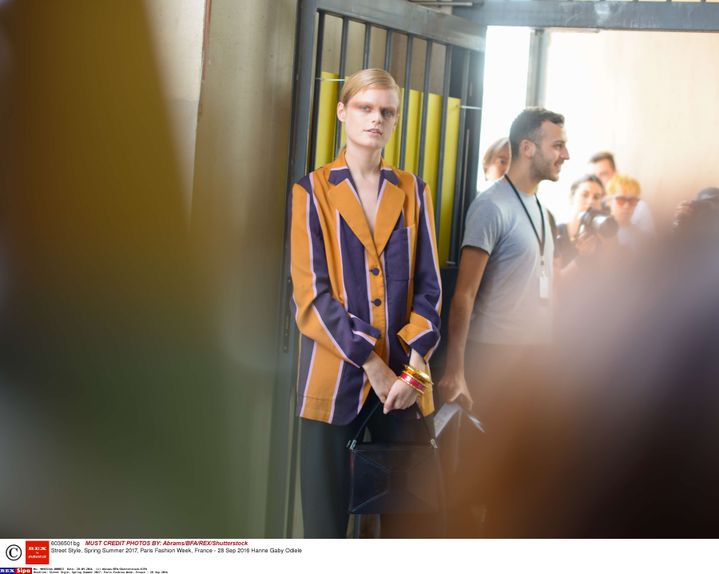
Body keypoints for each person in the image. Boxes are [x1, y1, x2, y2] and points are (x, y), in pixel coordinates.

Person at [289, 68, 442, 538]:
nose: (376, 118)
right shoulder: (312, 191)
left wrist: (413, 375)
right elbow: (312, 298)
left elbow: (431, 289)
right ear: (342, 113)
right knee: (325, 531)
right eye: (365, 108)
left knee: (411, 528)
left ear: (395, 121)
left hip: (406, 388)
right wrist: (374, 366)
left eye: (386, 111)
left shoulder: (413, 191)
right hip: (333, 385)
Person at [438, 107, 569, 535]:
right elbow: (464, 295)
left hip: (533, 359)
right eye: (557, 144)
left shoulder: (540, 208)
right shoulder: (491, 205)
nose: (565, 154)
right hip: (494, 359)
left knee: (521, 478)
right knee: (484, 479)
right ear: (527, 147)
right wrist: (456, 368)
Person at [589, 150, 654, 233]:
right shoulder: (591, 205)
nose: (598, 180)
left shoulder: (639, 207)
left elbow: (651, 243)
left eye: (603, 174)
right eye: (594, 176)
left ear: (616, 173)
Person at [554, 174, 605, 267]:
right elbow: (556, 280)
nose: (590, 201)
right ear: (572, 198)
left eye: (596, 197)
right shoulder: (555, 233)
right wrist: (583, 256)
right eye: (585, 195)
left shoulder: (604, 238)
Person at [605, 173, 650, 252]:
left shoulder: (643, 240)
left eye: (632, 201)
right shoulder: (600, 232)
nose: (626, 206)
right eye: (621, 200)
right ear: (609, 201)